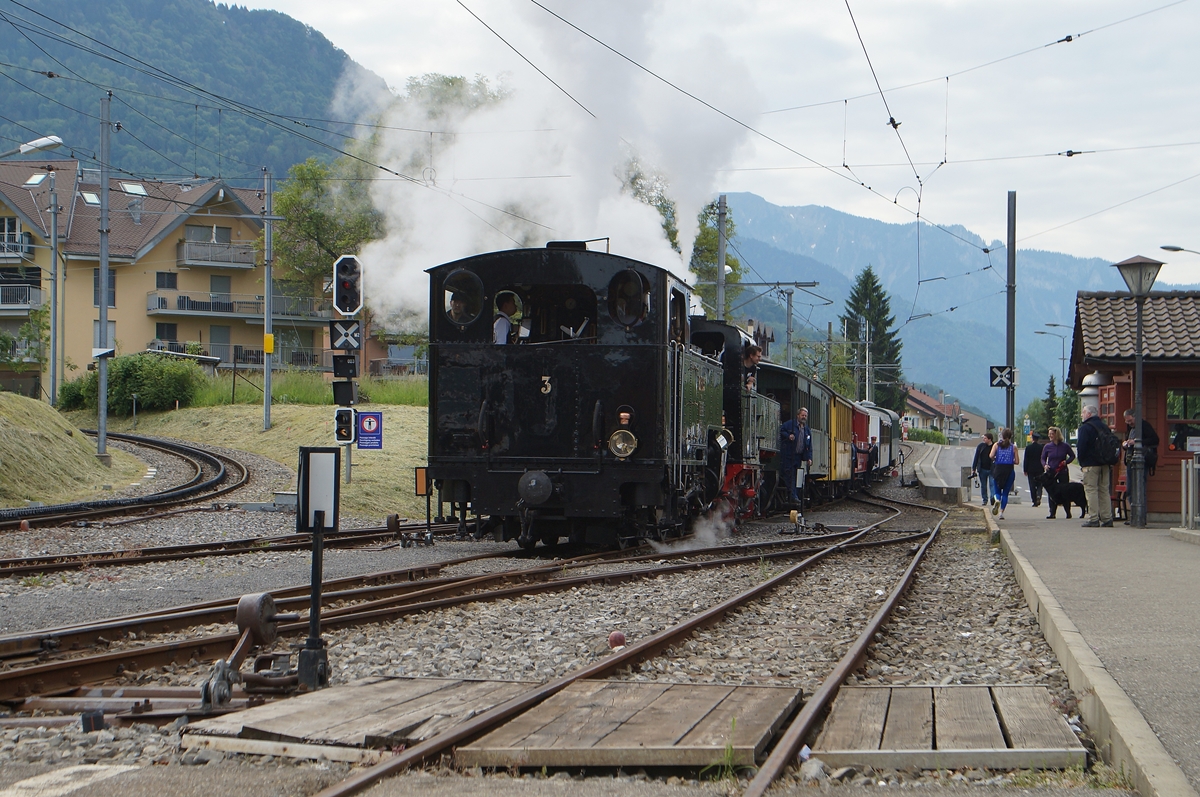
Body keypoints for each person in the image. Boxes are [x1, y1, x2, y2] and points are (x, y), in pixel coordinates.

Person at [1076, 405, 1114, 527]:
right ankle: (1107, 518)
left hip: (1090, 464)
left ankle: (1093, 518)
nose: (1082, 415)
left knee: (1091, 490)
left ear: (1089, 414)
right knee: (1104, 490)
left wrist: (1082, 463)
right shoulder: (1104, 427)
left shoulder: (1085, 428)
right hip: (1105, 462)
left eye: (1083, 412)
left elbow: (1081, 447)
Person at [779, 408, 813, 507]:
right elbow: (781, 430)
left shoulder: (806, 430)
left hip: (799, 457)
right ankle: (793, 496)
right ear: (798, 415)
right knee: (790, 476)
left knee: (798, 477)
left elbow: (809, 446)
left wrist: (809, 458)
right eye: (802, 415)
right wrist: (788, 436)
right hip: (788, 455)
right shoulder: (790, 425)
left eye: (805, 416)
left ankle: (796, 496)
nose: (804, 417)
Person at [1040, 426, 1076, 519]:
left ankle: (1068, 512)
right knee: (1052, 492)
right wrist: (1045, 465)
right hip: (1051, 472)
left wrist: (1066, 462)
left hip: (1062, 471)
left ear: (1057, 434)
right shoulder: (1047, 446)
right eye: (1049, 434)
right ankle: (1052, 513)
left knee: (1065, 492)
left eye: (1052, 434)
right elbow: (1043, 458)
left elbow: (1072, 456)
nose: (1050, 436)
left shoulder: (1065, 446)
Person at [989, 428, 1020, 519]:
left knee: (997, 490)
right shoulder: (1013, 447)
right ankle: (1001, 513)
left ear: (1001, 436)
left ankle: (997, 500)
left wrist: (996, 459)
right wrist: (1011, 460)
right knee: (1005, 493)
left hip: (998, 469)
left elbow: (991, 456)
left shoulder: (996, 445)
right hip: (1009, 470)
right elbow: (1017, 461)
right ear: (1010, 437)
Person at [1121, 409, 1159, 477]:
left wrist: (1136, 442)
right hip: (1130, 459)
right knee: (1130, 484)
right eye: (1127, 421)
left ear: (1135, 417)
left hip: (1142, 458)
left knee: (1140, 481)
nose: (1129, 423)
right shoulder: (1130, 427)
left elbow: (1155, 440)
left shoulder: (1144, 425)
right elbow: (1128, 439)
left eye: (1130, 420)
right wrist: (1125, 445)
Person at [970, 432, 995, 507]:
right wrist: (974, 468)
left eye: (985, 438)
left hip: (992, 469)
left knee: (992, 484)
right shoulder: (981, 446)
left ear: (989, 439)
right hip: (982, 469)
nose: (983, 439)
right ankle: (985, 499)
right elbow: (976, 457)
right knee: (983, 485)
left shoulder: (995, 446)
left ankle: (992, 498)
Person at [1023, 432, 1046, 507]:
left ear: (1032, 438)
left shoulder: (1028, 448)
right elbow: (1044, 458)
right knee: (1039, 484)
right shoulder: (1041, 448)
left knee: (1032, 485)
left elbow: (1026, 459)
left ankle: (1034, 500)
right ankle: (1039, 495)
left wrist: (1025, 469)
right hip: (1040, 468)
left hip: (1031, 469)